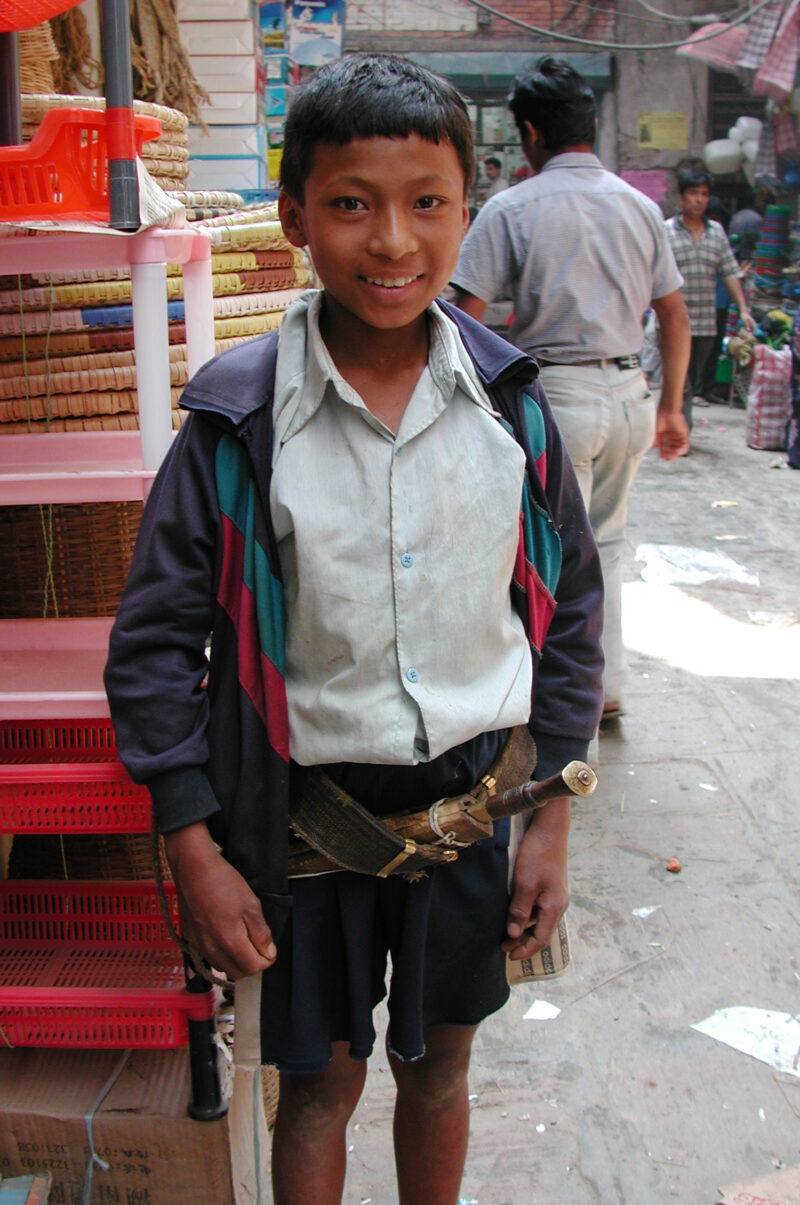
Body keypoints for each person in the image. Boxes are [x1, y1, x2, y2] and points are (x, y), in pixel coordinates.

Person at [104, 54, 604, 1205]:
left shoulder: (511, 408)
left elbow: (568, 610)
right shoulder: (234, 426)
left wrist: (548, 827)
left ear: (465, 214)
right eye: (349, 204)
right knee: (319, 1084)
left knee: (437, 1065)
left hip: (474, 803)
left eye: (425, 203)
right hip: (294, 827)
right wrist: (194, 842)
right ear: (292, 218)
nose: (391, 241)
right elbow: (153, 650)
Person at [450, 54, 690, 723]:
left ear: (529, 131)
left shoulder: (513, 207)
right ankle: (603, 686)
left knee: (548, 545)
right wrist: (670, 406)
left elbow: (463, 315)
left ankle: (560, 696)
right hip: (629, 395)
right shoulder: (641, 208)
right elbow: (674, 313)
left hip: (557, 397)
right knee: (605, 542)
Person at [665, 166, 756, 429]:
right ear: (681, 197)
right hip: (673, 322)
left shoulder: (716, 232)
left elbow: (729, 272)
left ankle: (679, 424)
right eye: (693, 193)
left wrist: (743, 310)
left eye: (704, 194)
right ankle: (682, 429)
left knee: (691, 378)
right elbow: (653, 276)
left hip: (705, 322)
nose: (699, 199)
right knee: (680, 380)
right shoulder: (666, 231)